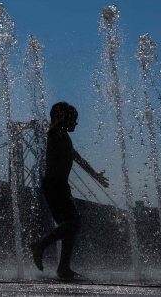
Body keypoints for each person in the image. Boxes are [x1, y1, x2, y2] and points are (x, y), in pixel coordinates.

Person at [29, 102, 109, 280]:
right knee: (74, 223)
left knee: (71, 226)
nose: (77, 123)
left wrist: (96, 175)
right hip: (53, 185)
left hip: (61, 186)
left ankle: (63, 268)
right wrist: (61, 119)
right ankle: (40, 245)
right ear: (63, 119)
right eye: (74, 119)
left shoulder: (64, 136)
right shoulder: (55, 134)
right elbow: (50, 131)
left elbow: (78, 158)